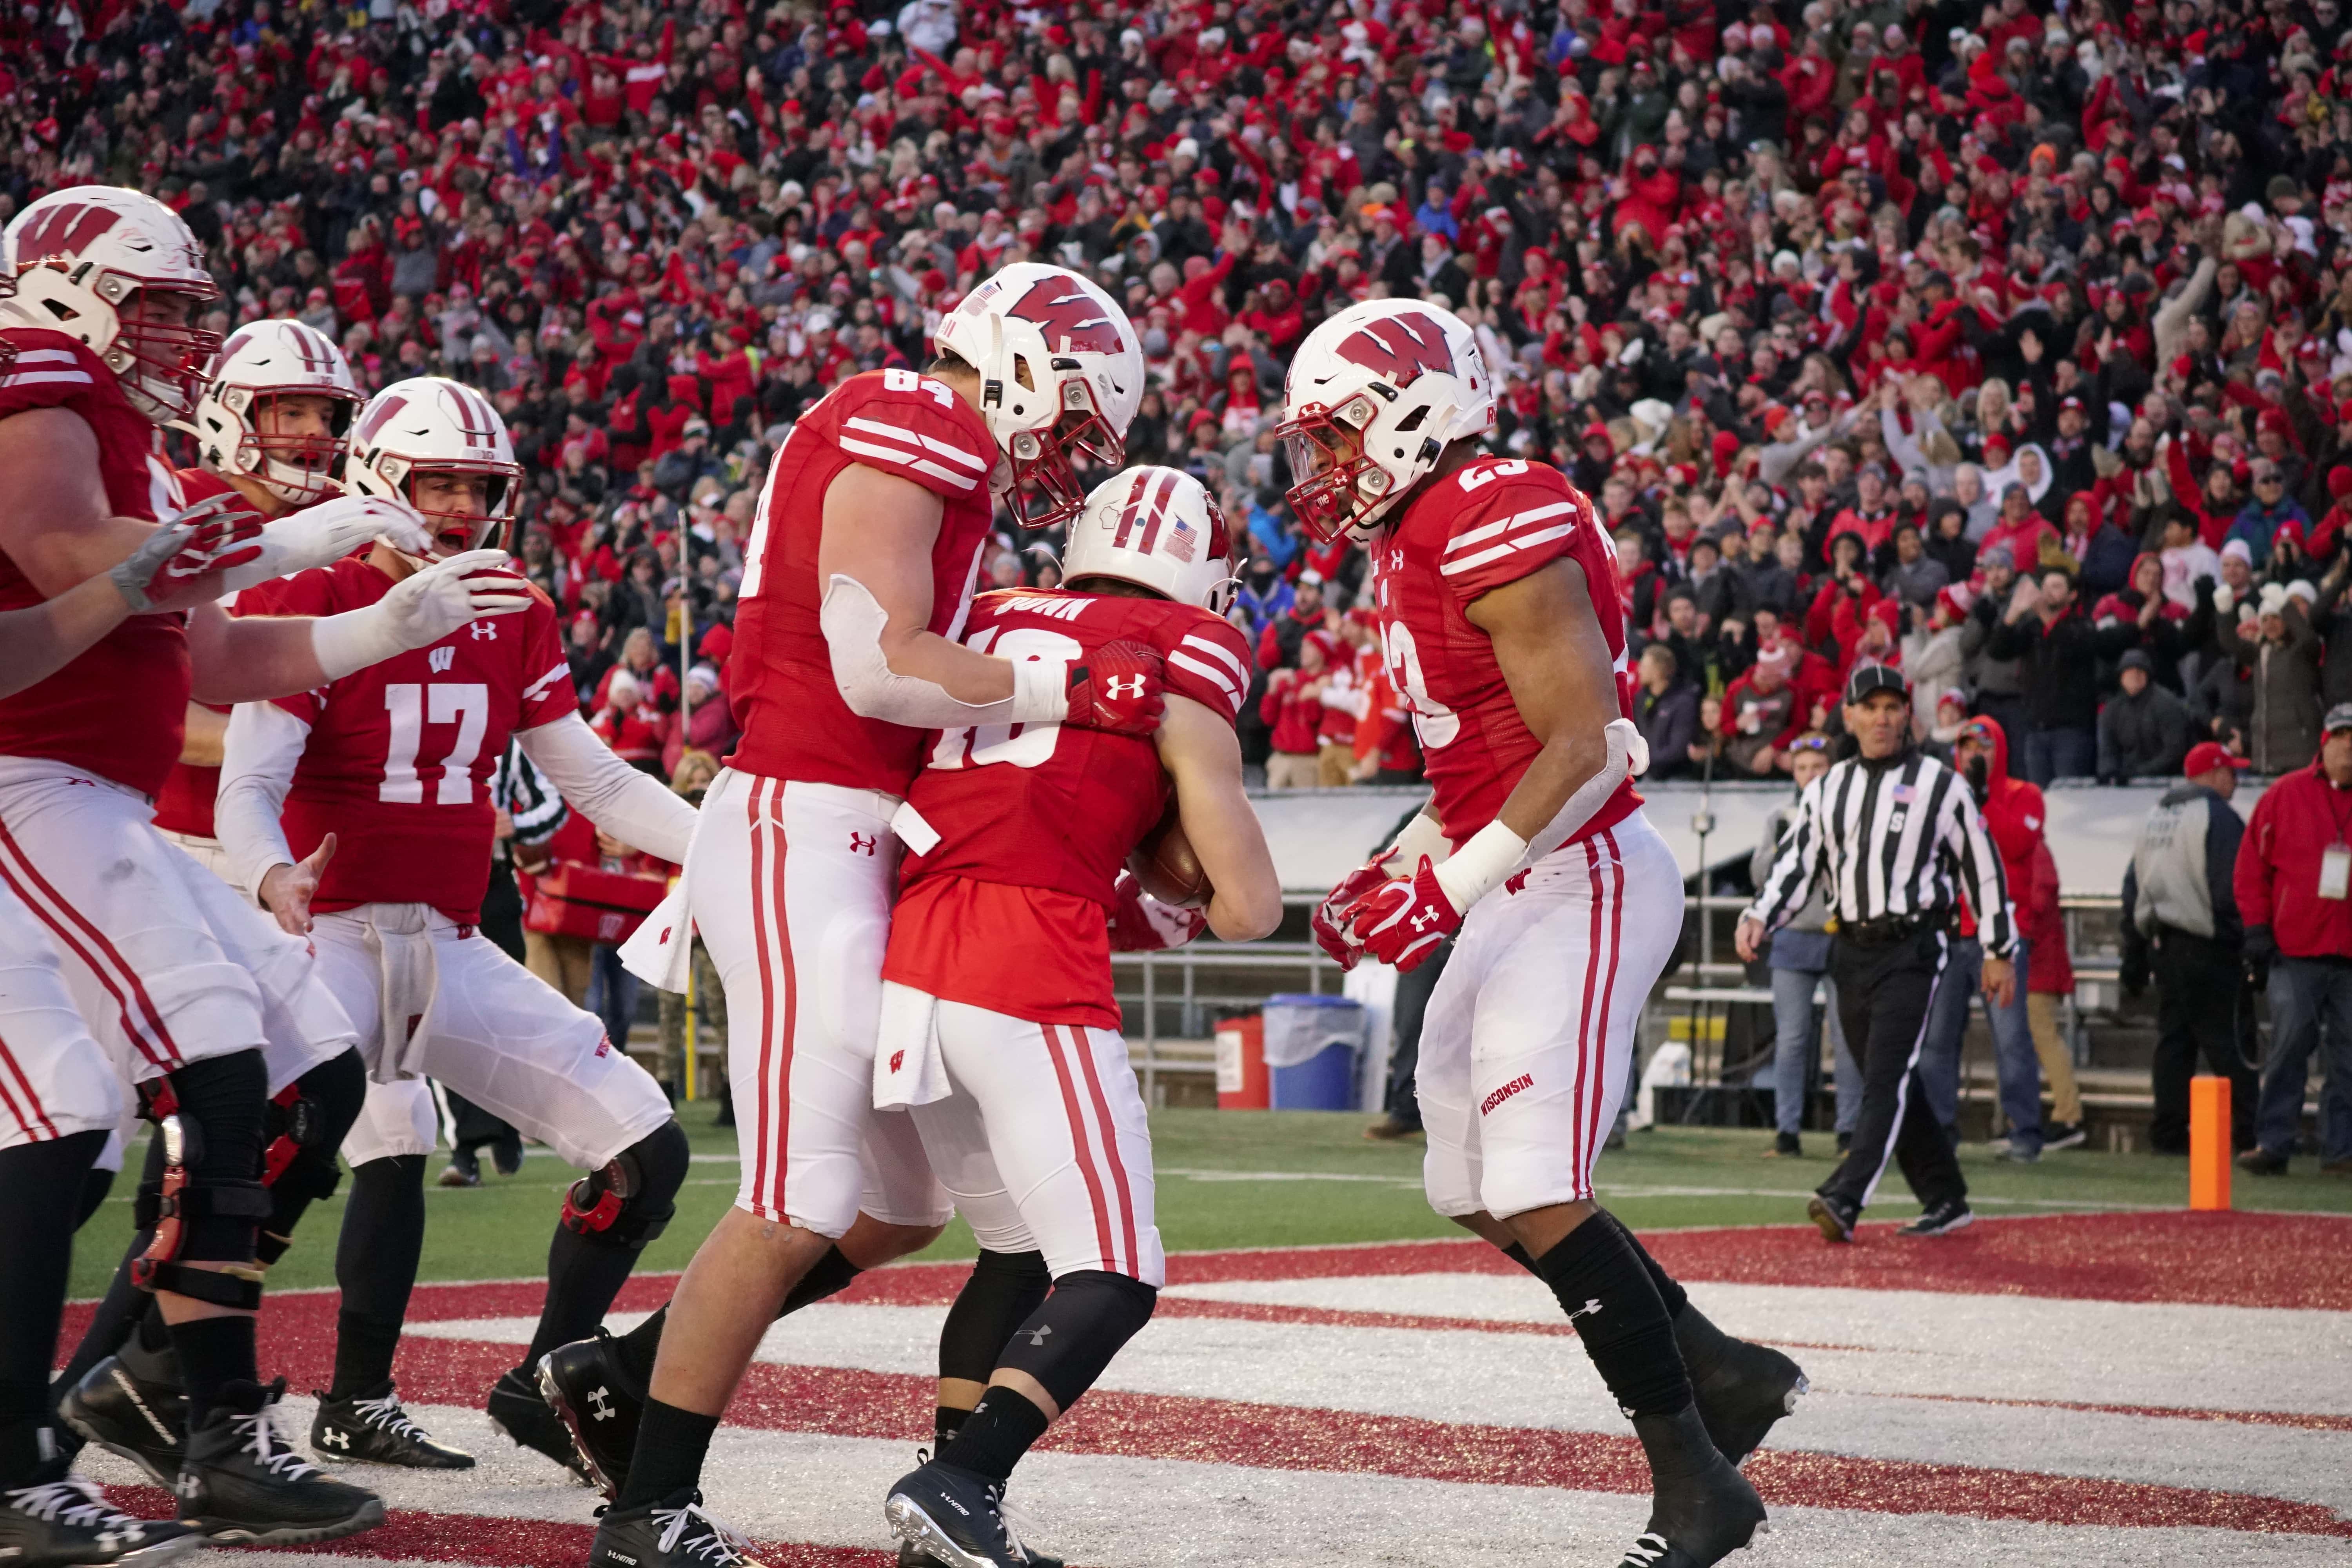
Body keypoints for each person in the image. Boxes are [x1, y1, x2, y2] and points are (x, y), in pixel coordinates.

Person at [576, 263, 1166, 1568]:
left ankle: (618, 1390)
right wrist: (1069, 690)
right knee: (798, 1192)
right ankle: (648, 1504)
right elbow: (880, 662)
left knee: (906, 1197)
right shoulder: (920, 418)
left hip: (841, 834)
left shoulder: (928, 431)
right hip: (806, 823)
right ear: (1017, 361)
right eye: (1070, 417)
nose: (1063, 455)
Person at [0, 185, 521, 1544]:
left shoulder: (132, 438)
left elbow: (213, 654)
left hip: (89, 797)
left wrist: (384, 627)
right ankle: (90, 1435)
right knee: (156, 1091)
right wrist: (308, 537)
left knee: (314, 1076)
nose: (178, 334)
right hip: (28, 781)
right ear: (64, 290)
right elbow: (76, 558)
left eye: (187, 308)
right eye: (156, 303)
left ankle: (190, 1404)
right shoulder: (33, 373)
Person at [1295, 300, 1793, 1568]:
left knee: (1529, 1183)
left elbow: (1580, 743)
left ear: (1418, 411)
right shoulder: (1426, 526)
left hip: (1583, 872)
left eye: (1342, 435)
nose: (1328, 468)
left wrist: (1446, 888)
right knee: (1467, 1186)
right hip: (1520, 877)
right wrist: (1408, 859)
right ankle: (1713, 1368)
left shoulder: (1494, 506)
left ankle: (1696, 1481)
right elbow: (1487, 760)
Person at [203, 377, 700, 1472]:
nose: (466, 507)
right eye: (441, 482)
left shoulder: (514, 605)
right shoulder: (317, 591)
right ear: (381, 482)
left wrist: (725, 850)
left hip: (446, 945)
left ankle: (548, 1380)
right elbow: (250, 783)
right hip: (323, 934)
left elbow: (598, 781)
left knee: (643, 1148)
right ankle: (184, 1389)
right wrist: (271, 872)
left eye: (482, 486)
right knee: (270, 1158)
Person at [876, 467, 1280, 1563]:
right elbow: (1246, 906)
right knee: (1114, 1269)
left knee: (1010, 1252)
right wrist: (1174, 862)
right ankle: (962, 1478)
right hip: (1029, 963)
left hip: (907, 956)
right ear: (1201, 575)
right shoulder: (1191, 646)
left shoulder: (994, 613)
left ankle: (949, 1525)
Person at [50, 324, 384, 1481]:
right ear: (228, 406)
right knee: (87, 1137)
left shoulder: (318, 543)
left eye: (325, 413)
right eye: (285, 408)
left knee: (237, 1125)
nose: (310, 434)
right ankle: (111, 1386)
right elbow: (176, 689)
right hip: (133, 832)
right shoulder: (175, 498)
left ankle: (133, 1376)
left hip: (201, 852)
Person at [0, 481, 272, 1568]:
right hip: (42, 801)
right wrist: (133, 577)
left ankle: (144, 1418)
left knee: (83, 1124)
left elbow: (211, 656)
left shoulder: (111, 455)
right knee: (65, 1112)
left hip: (87, 808)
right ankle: (42, 1456)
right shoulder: (44, 436)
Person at [1739, 666, 2016, 1243]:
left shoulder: (1942, 785)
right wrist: (1760, 913)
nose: (1883, 718)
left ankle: (1846, 1196)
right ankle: (1946, 1196)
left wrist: (1998, 948)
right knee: (1887, 1076)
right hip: (1850, 947)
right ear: (1850, 716)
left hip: (1914, 945)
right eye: (1871, 707)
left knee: (1884, 1075)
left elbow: (1982, 867)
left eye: (1894, 707)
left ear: (1907, 718)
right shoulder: (1827, 787)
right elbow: (1798, 865)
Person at [1915, 718, 2049, 1161]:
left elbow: (2016, 843)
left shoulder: (2024, 795)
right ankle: (1938, 1132)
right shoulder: (1945, 795)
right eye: (1968, 746)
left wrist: (1978, 804)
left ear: (2000, 750)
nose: (1976, 754)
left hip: (2002, 937)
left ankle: (2024, 1131)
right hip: (1951, 932)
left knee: (2011, 1038)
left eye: (1984, 746)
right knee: (1937, 1039)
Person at [2120, 742, 2258, 1156]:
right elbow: (2232, 887)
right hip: (2210, 946)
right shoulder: (2218, 817)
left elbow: (2132, 889)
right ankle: (2252, 1133)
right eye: (2230, 771)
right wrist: (2246, 942)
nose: (2235, 779)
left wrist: (2134, 954)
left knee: (2175, 1044)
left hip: (2163, 945)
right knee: (2230, 1043)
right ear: (2214, 774)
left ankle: (2169, 1133)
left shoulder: (2154, 817)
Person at [2234, 703, 2352, 1176]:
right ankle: (2274, 1140)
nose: (2350, 746)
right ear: (2324, 743)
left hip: (2349, 954)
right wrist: (2258, 928)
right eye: (2343, 736)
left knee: (2351, 1058)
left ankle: (2341, 1150)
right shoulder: (2285, 794)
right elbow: (2250, 870)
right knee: (2288, 1046)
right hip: (2295, 948)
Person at [1751, 736, 1859, 1158]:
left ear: (1832, 769)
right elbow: (1760, 874)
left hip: (1840, 935)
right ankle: (1787, 1131)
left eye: (1818, 766)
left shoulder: (1848, 813)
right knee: (1793, 1038)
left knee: (1848, 1039)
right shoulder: (1781, 816)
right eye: (1802, 767)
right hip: (1794, 935)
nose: (1810, 774)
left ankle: (1849, 1131)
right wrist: (1784, 843)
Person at [2098, 649, 2192, 783]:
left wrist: (2139, 773)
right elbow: (2108, 751)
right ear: (2121, 677)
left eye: (2140, 671)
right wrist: (2110, 774)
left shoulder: (2166, 703)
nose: (2135, 675)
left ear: (2148, 675)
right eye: (2129, 671)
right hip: (2128, 782)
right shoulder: (2113, 709)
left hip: (2167, 780)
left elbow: (2175, 751)